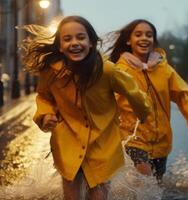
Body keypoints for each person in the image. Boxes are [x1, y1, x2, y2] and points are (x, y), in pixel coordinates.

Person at [22, 16, 151, 200]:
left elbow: (133, 92)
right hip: (67, 141)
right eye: (67, 39)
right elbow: (44, 96)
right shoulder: (51, 72)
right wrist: (46, 114)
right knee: (71, 193)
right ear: (59, 46)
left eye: (80, 37)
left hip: (103, 143)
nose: (75, 43)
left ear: (91, 42)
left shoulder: (107, 70)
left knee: (98, 195)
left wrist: (143, 112)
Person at [107, 19, 188, 182]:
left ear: (154, 41)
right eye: (138, 34)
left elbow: (186, 96)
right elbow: (104, 102)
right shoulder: (119, 71)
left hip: (162, 142)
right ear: (128, 40)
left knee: (156, 186)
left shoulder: (165, 70)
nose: (144, 38)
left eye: (149, 35)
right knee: (145, 178)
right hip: (133, 138)